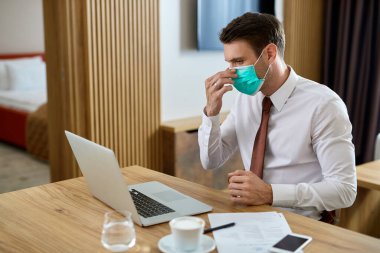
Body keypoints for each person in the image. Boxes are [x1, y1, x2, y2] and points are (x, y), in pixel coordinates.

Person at [198, 12, 356, 221]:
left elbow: (344, 191)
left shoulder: (324, 105)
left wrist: (270, 193)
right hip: (252, 215)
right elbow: (211, 160)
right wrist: (212, 112)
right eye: (229, 63)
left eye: (239, 61)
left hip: (304, 223)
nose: (232, 73)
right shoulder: (246, 99)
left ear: (270, 54)